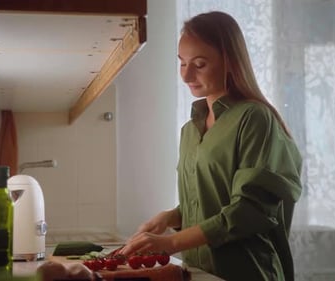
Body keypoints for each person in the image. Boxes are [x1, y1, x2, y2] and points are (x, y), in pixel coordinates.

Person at [119, 11, 303, 281]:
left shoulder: (254, 118)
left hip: (246, 273)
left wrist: (171, 243)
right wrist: (170, 217)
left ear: (230, 61)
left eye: (200, 64)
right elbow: (210, 202)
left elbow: (249, 210)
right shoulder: (190, 130)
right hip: (198, 272)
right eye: (182, 63)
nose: (186, 75)